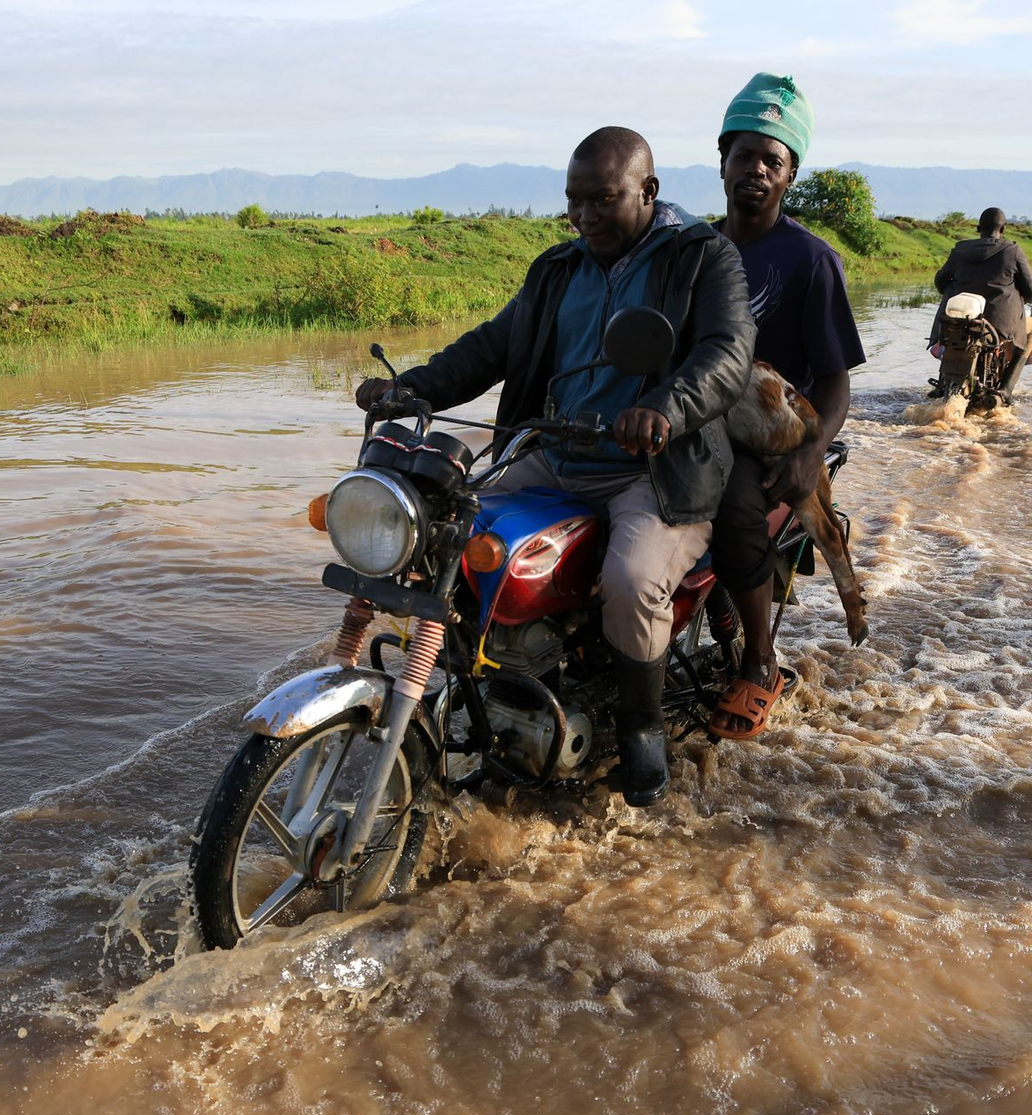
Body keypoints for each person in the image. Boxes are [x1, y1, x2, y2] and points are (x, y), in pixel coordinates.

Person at [356, 126, 755, 803]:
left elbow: (727, 353)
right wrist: (410, 388)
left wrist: (663, 406)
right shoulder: (558, 269)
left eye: (603, 199)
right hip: (554, 454)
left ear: (647, 191)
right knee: (447, 536)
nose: (585, 216)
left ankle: (640, 725)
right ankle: (479, 683)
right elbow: (491, 347)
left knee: (630, 582)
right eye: (575, 201)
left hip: (653, 469)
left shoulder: (701, 258)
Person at [705, 73, 866, 740]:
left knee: (738, 504)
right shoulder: (696, 249)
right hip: (696, 418)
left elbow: (834, 383)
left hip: (766, 434)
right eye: (745, 155)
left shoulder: (810, 260)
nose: (756, 170)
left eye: (773, 160)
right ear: (722, 162)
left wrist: (810, 452)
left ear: (790, 175)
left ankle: (761, 660)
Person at [930, 207, 1032, 402]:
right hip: (1000, 322)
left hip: (957, 319)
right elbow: (1030, 289)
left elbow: (941, 281)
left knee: (952, 337)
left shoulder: (960, 249)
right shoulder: (1013, 250)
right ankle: (1005, 391)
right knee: (1025, 341)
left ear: (978, 228)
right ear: (1002, 229)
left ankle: (943, 383)